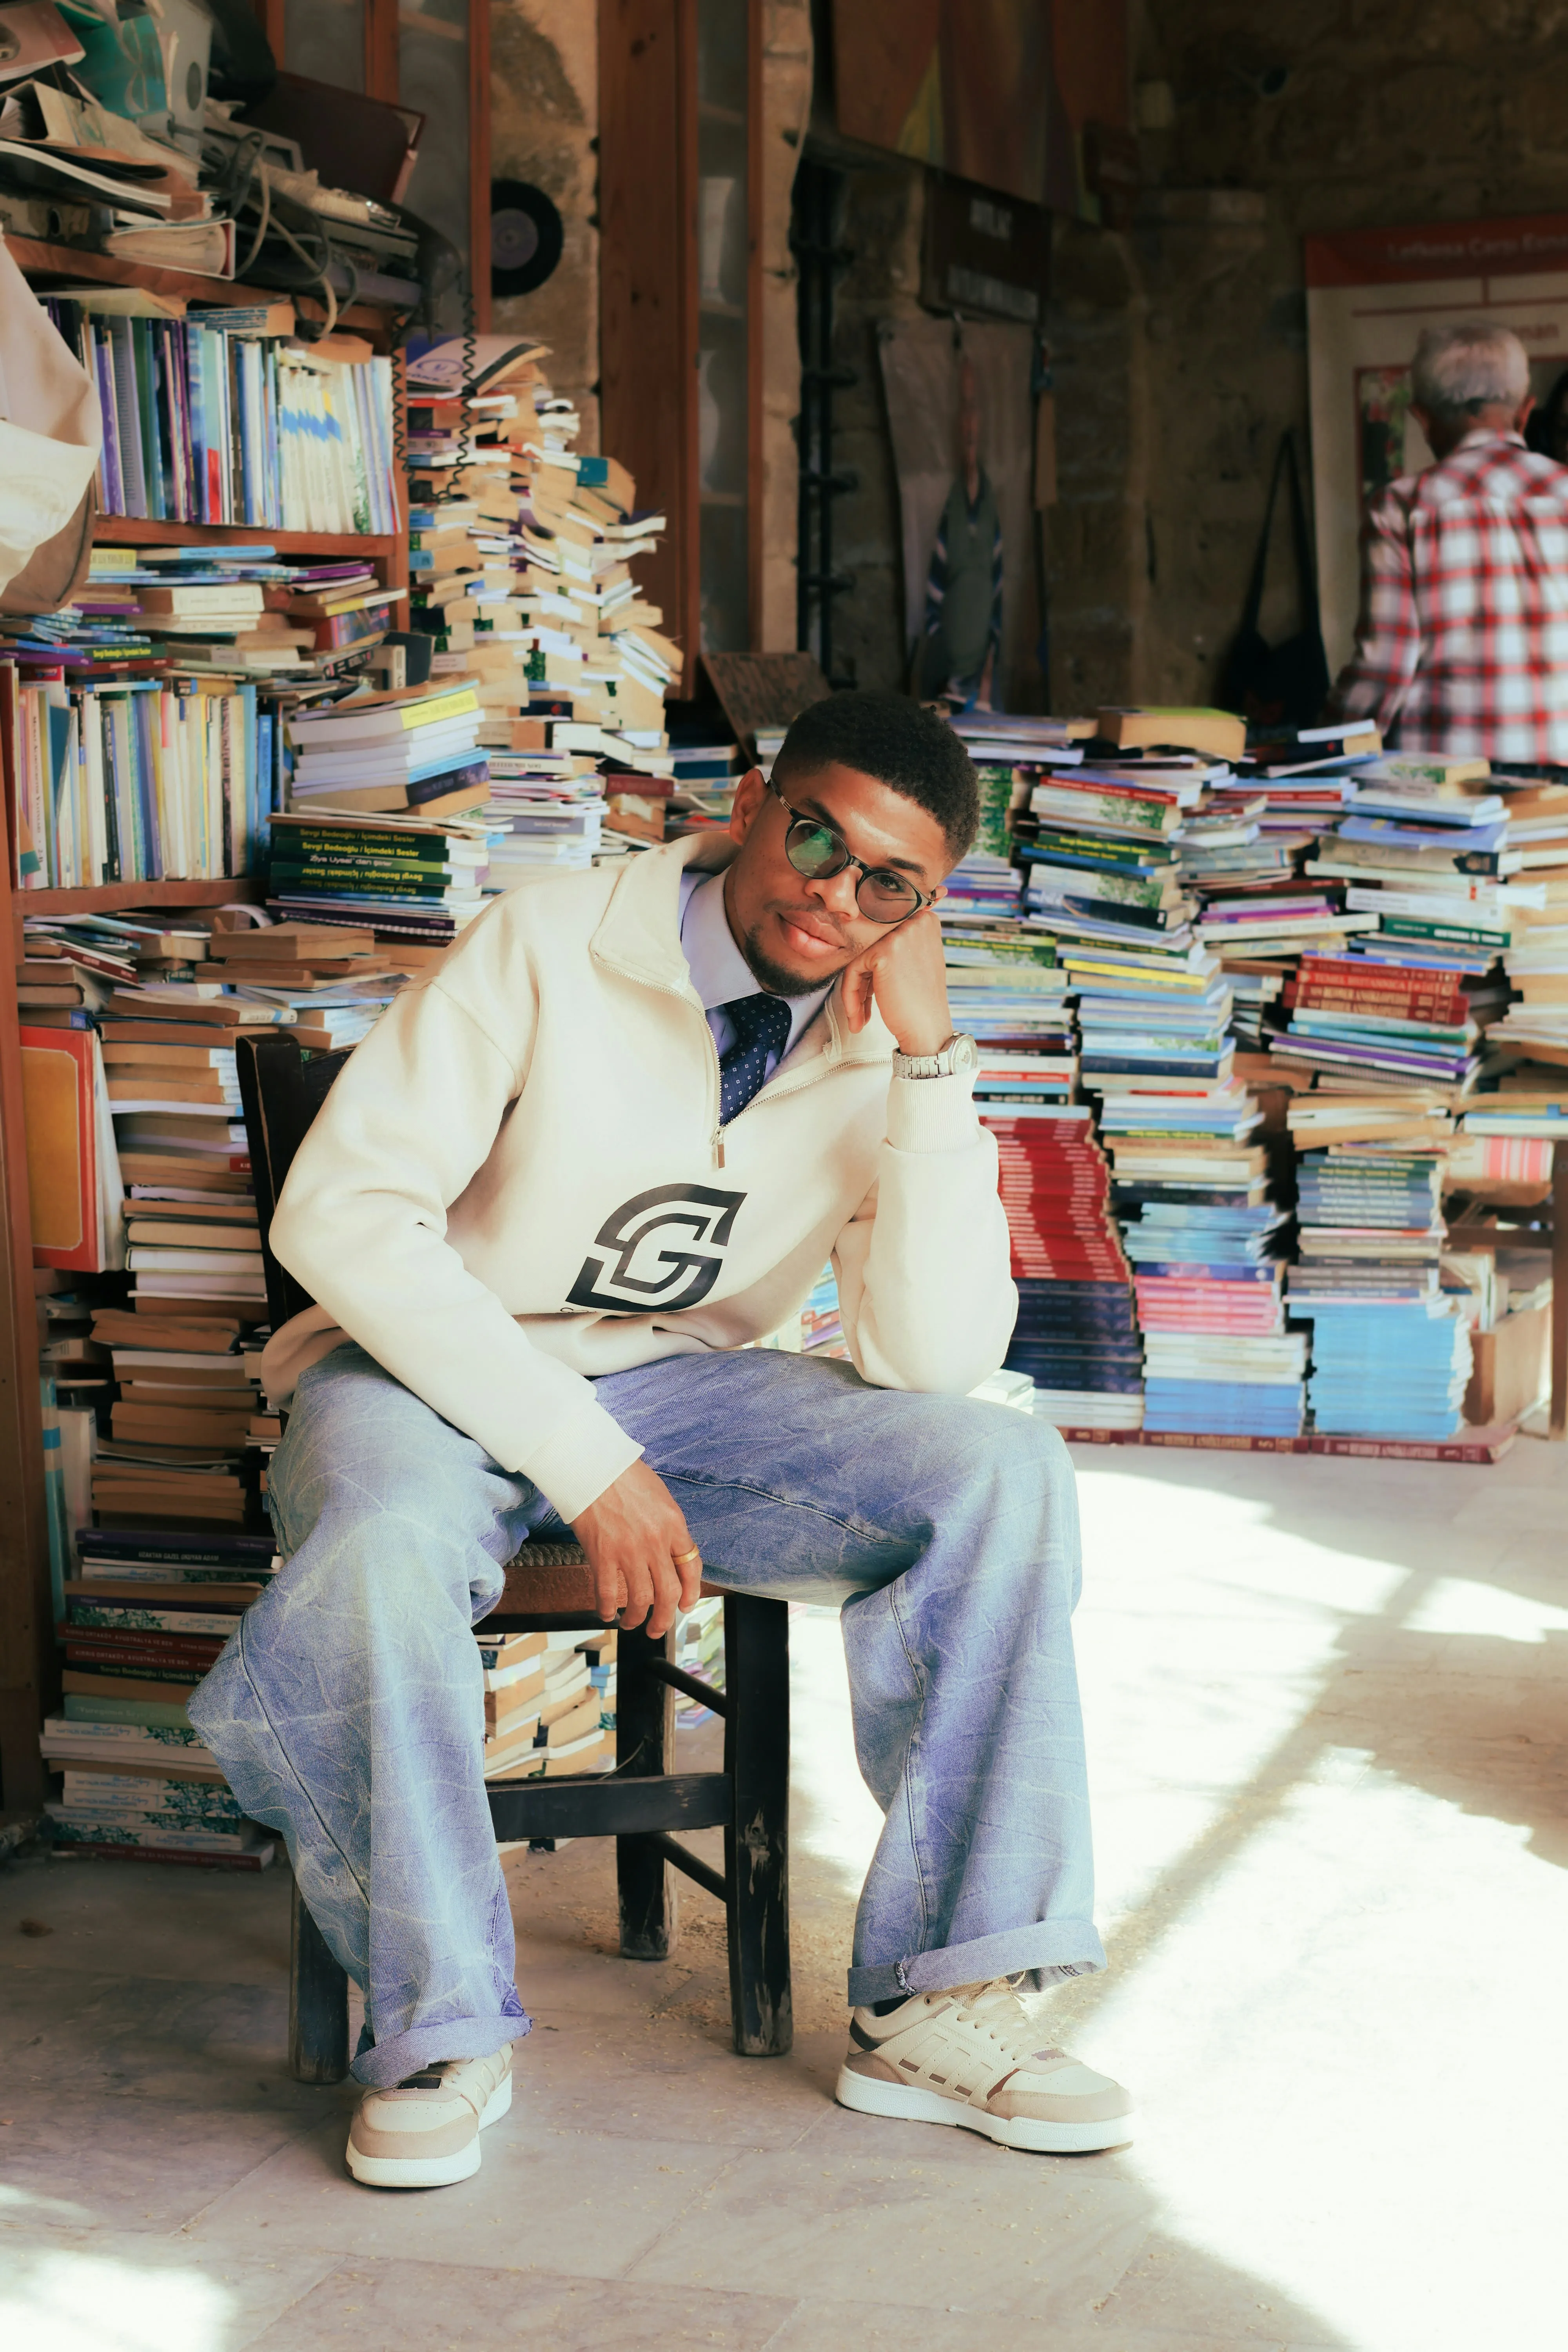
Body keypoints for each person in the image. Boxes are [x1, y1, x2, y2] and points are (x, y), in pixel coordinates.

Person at [190, 691, 1134, 2187]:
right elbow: (343, 1216)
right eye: (815, 837)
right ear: (756, 800)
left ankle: (942, 1998)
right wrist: (587, 1465)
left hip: (681, 1393)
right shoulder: (550, 937)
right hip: (414, 1373)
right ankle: (439, 2024)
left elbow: (933, 1357)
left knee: (998, 1467)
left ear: (922, 910)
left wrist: (934, 1064)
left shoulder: (882, 1034)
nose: (834, 894)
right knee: (376, 1547)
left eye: (888, 882)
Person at [1330, 321, 1568, 765]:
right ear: (1525, 411)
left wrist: (1320, 745)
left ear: (1422, 418)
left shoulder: (1400, 507)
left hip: (1446, 790)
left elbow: (1384, 666)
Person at [921, 356, 1004, 708]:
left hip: (978, 669)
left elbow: (997, 603)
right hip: (950, 666)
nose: (970, 433)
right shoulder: (950, 511)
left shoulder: (989, 517)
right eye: (964, 423)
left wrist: (986, 682)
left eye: (975, 424)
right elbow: (933, 603)